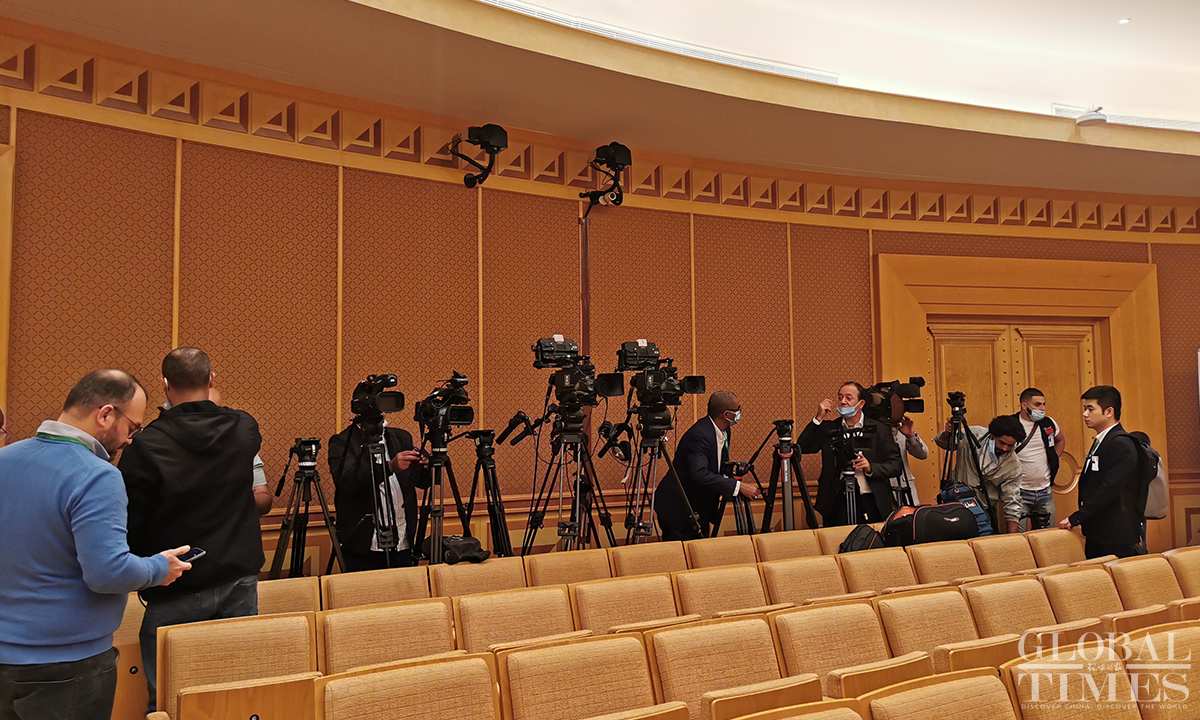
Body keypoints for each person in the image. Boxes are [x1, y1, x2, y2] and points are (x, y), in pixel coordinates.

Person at [0, 369, 190, 720]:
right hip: (67, 665)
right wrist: (160, 568)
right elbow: (108, 573)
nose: (131, 440)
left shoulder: (5, 459)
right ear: (105, 414)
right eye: (132, 428)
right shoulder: (97, 474)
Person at [118, 348, 264, 713]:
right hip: (238, 575)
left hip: (174, 580)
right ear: (212, 379)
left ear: (165, 385)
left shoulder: (146, 445)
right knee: (235, 687)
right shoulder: (244, 427)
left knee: (168, 694)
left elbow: (130, 518)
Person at [653, 390, 759, 540]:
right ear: (726, 414)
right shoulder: (699, 434)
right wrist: (737, 487)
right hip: (678, 507)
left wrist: (732, 480)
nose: (739, 413)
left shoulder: (724, 430)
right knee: (683, 556)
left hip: (699, 506)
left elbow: (717, 465)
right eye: (737, 410)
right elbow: (699, 473)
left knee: (702, 551)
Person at [328, 417, 430, 570]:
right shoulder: (342, 441)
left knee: (405, 592)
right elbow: (348, 482)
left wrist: (428, 466)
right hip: (363, 544)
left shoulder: (401, 437)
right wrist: (389, 467)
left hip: (403, 540)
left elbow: (421, 482)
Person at [1059, 385, 1146, 559]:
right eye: (1085, 409)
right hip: (1100, 531)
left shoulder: (1121, 443)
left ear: (1109, 412)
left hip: (1116, 535)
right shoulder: (1103, 440)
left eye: (1090, 409)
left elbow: (1110, 489)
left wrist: (1078, 517)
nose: (1085, 414)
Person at [799, 382, 903, 526]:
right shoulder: (829, 429)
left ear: (861, 404)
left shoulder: (880, 429)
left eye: (848, 398)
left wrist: (870, 467)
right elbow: (803, 447)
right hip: (836, 501)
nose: (843, 402)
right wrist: (818, 418)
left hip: (871, 500)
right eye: (840, 397)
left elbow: (896, 465)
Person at [935, 414, 1026, 533]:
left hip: (985, 510)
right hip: (956, 504)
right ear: (992, 435)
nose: (1005, 449)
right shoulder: (973, 434)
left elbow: (1012, 501)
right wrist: (948, 432)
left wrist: (1013, 536)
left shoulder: (1013, 465)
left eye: (1010, 445)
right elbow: (943, 443)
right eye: (1002, 443)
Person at [1011, 388, 1065, 531]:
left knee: (1046, 538)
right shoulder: (1011, 424)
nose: (1042, 409)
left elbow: (1060, 439)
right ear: (1024, 405)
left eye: (1044, 404)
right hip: (1018, 492)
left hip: (1045, 491)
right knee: (1019, 540)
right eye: (1038, 405)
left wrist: (1054, 458)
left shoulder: (1048, 423)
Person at [889, 415, 927, 508]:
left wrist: (911, 436)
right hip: (882, 493)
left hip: (905, 491)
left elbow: (923, 454)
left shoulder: (901, 428)